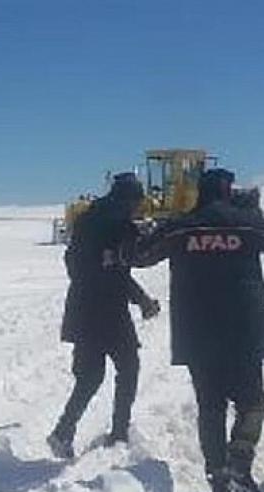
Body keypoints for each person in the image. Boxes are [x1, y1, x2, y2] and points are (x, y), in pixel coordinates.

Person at [120, 168, 264, 492]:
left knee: (210, 407)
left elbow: (139, 256)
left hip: (198, 332)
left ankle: (217, 477)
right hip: (244, 330)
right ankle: (240, 463)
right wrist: (254, 212)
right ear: (229, 190)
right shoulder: (244, 222)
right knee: (252, 403)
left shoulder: (182, 226)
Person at [47, 173, 160, 459]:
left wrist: (93, 277)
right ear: (129, 199)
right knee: (129, 367)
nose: (137, 209)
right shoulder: (121, 226)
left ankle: (63, 431)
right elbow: (126, 268)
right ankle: (119, 433)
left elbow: (74, 263)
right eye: (136, 202)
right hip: (109, 311)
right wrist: (144, 301)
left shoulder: (85, 219)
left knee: (89, 376)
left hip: (81, 306)